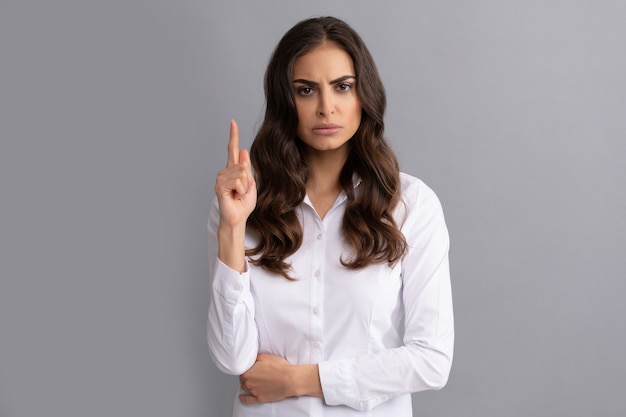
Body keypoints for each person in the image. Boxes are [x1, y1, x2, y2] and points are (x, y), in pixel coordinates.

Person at [207, 16, 454, 417]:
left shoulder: (411, 205)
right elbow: (232, 359)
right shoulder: (241, 204)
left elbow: (432, 360)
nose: (326, 107)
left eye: (343, 86)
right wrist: (232, 230)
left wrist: (301, 380)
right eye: (306, 90)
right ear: (286, 101)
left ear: (364, 94)